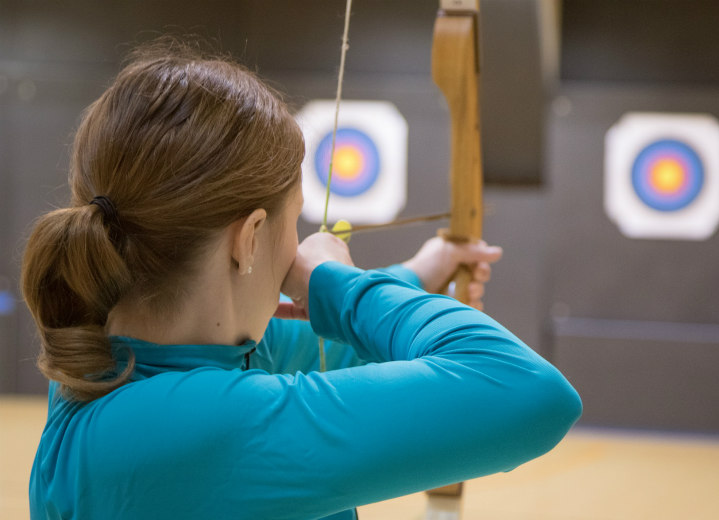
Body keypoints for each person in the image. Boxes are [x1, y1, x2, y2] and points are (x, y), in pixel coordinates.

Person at [20, 39, 582, 520]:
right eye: (296, 223)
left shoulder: (111, 361)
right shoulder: (189, 428)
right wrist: (335, 281)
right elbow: (530, 391)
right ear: (249, 239)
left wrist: (415, 276)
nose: (299, 245)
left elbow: (327, 351)